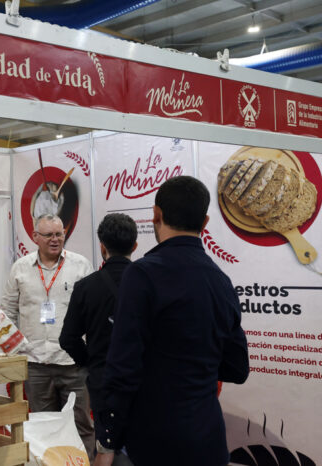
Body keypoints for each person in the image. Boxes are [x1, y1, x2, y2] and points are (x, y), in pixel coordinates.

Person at [93, 176, 249, 466]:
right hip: (209, 439)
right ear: (205, 222)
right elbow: (238, 368)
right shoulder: (221, 281)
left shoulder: (142, 275)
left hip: (156, 440)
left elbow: (122, 366)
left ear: (156, 215)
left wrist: (107, 441)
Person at [2, 214, 95, 458]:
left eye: (59, 234)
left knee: (81, 425)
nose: (55, 240)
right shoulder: (20, 268)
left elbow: (92, 310)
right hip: (35, 364)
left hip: (72, 363)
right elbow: (8, 311)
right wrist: (16, 349)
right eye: (48, 235)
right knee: (43, 429)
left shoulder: (81, 265)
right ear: (35, 237)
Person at [59, 213, 137, 462]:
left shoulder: (86, 287)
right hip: (143, 378)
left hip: (104, 380)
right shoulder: (150, 281)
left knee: (105, 445)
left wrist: (90, 361)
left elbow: (68, 338)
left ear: (102, 246)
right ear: (135, 246)